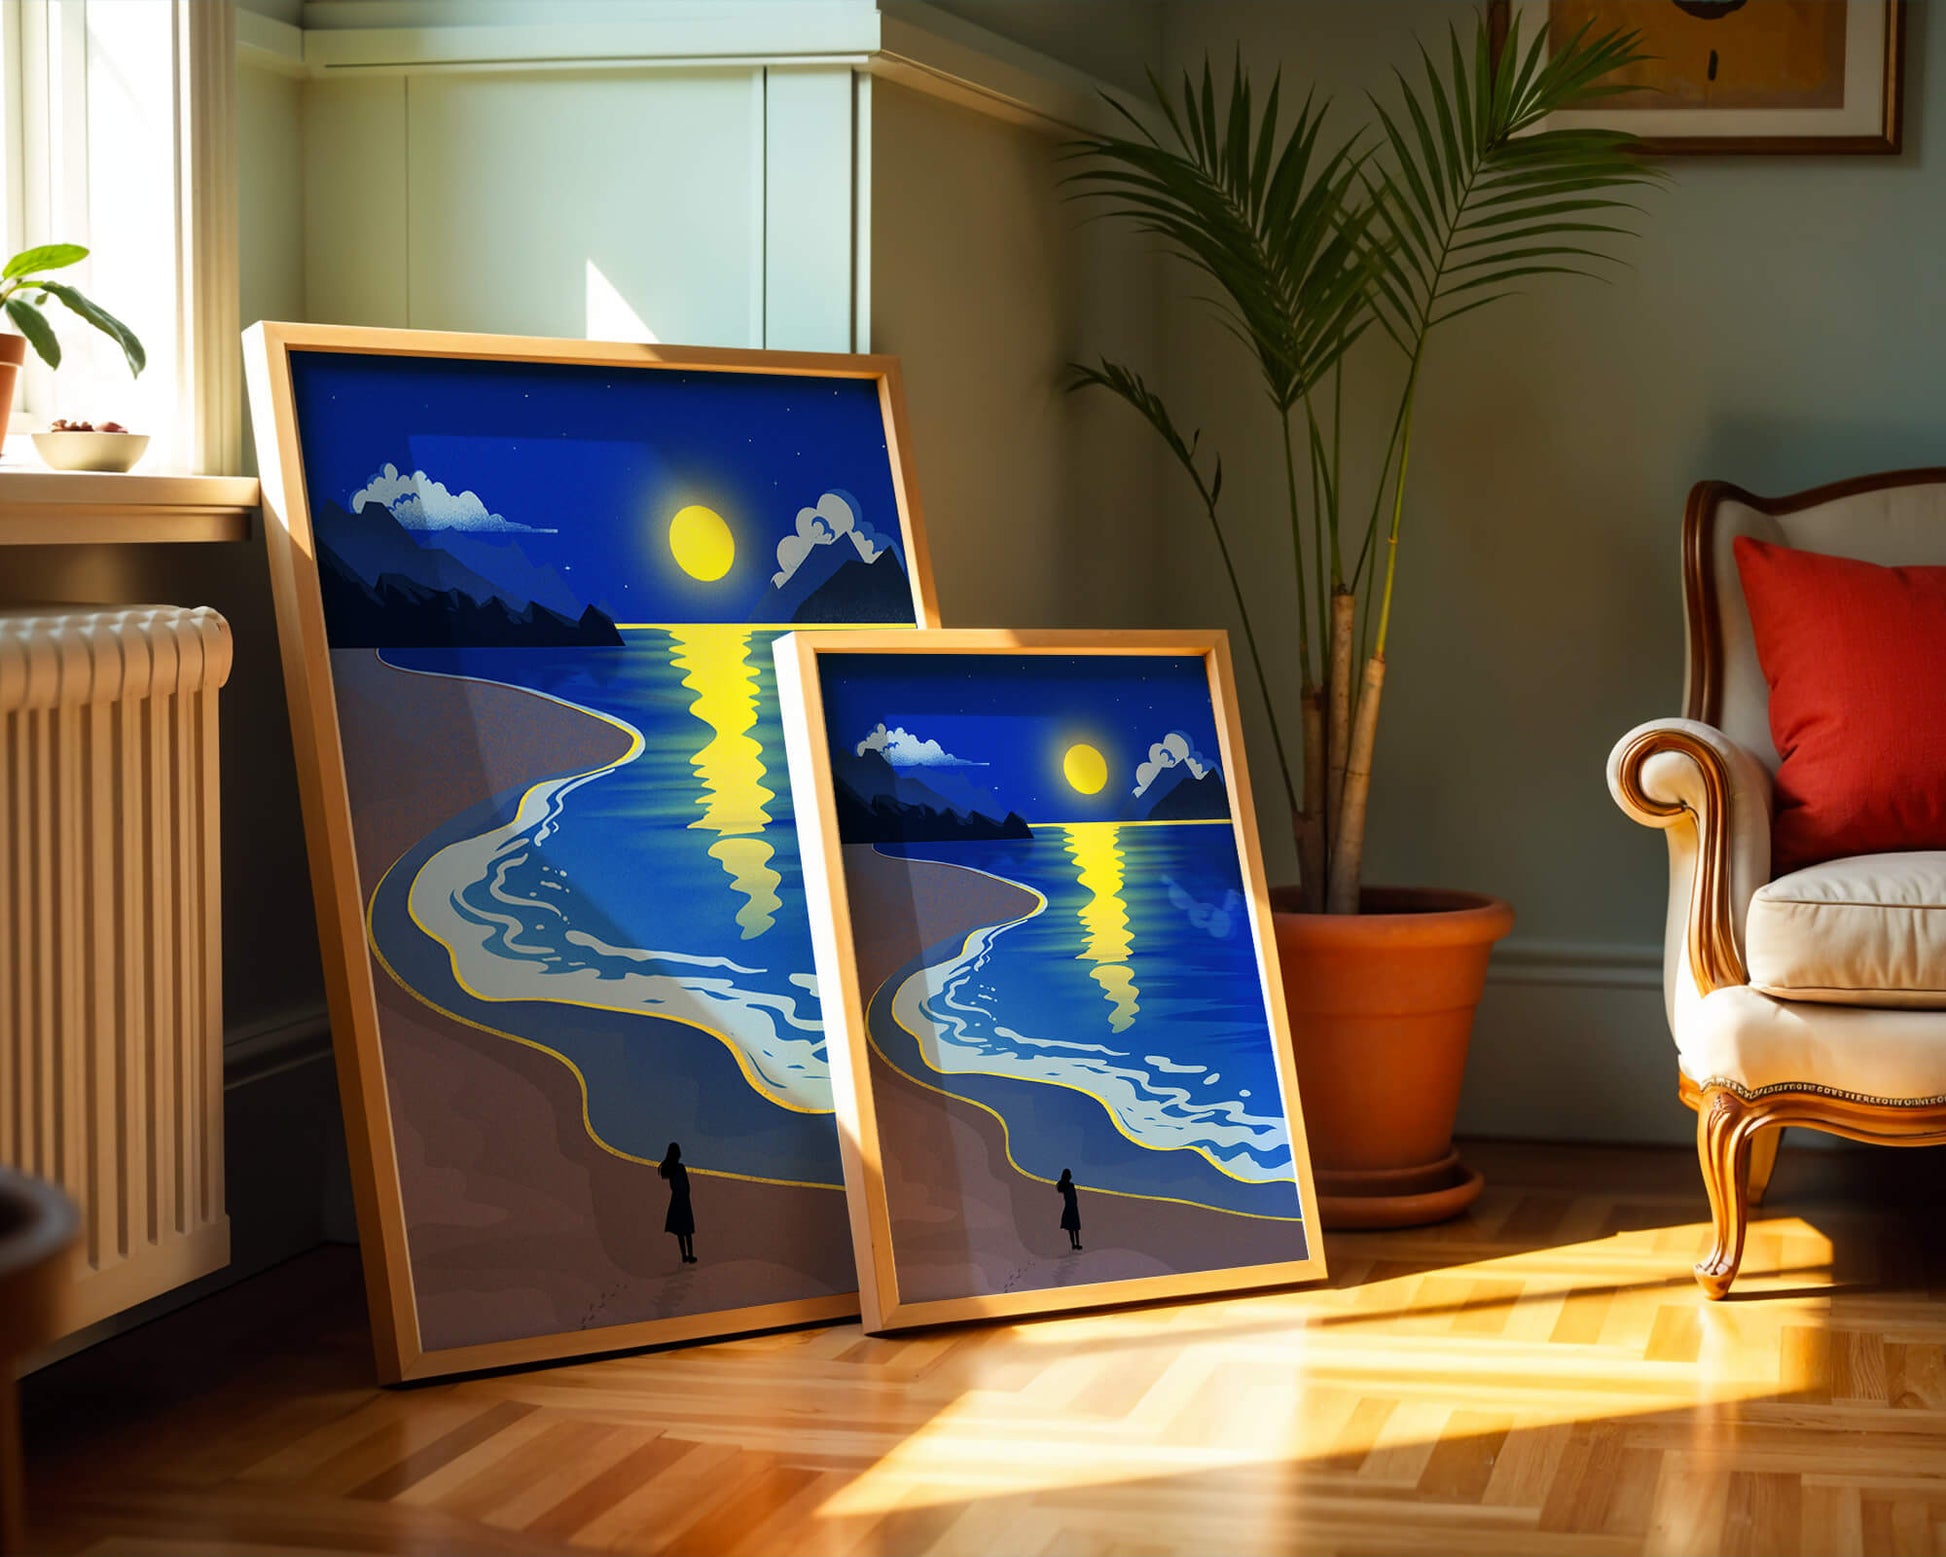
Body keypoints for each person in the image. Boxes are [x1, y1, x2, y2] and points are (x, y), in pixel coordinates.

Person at [660, 1142, 696, 1263]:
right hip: (684, 1200)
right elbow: (686, 1185)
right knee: (687, 1230)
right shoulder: (680, 1168)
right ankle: (690, 1255)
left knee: (680, 1230)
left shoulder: (670, 1169)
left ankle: (684, 1255)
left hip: (676, 1200)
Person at [1057, 1168, 1081, 1251]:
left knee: (1072, 1227)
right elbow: (1074, 1197)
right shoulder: (1069, 1186)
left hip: (1070, 1207)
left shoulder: (1067, 1186)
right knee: (1075, 1227)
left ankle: (1074, 1244)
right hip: (1072, 1207)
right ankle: (1076, 1244)